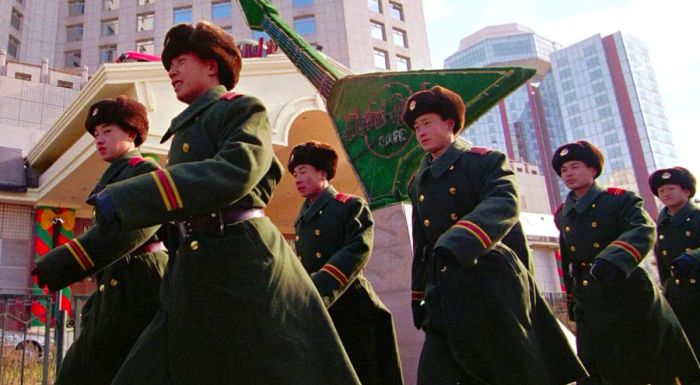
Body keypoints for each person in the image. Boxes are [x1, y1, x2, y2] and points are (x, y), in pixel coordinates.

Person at [35, 21, 362, 385]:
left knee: (285, 368)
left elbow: (238, 169)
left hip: (242, 264)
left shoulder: (242, 109)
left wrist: (133, 196)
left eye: (180, 60)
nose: (171, 70)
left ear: (212, 64)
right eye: (168, 64)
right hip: (192, 269)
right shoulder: (186, 128)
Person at [404, 85, 586, 385]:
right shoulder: (418, 181)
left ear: (450, 123)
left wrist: (459, 238)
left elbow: (504, 202)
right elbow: (423, 242)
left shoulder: (485, 161)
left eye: (427, 123)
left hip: (490, 280)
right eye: (416, 127)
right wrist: (418, 294)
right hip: (444, 289)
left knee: (509, 371)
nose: (420, 132)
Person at [32, 96, 168, 385]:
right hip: (115, 290)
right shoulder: (112, 178)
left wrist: (59, 264)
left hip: (140, 290)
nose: (99, 139)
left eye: (107, 131)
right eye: (96, 134)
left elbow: (124, 235)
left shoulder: (146, 173)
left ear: (131, 133)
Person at [552, 140, 700, 384]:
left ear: (592, 170)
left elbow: (642, 227)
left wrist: (613, 258)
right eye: (564, 169)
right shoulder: (562, 213)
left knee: (649, 365)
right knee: (597, 367)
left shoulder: (619, 200)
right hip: (590, 298)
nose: (568, 173)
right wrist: (572, 299)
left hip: (627, 294)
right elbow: (569, 257)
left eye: (575, 166)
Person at [288, 140, 404, 385]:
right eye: (295, 174)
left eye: (303, 172)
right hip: (322, 308)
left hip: (352, 304)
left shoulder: (348, 206)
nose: (298, 179)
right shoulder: (302, 219)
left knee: (364, 371)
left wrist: (317, 287)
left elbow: (357, 248)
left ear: (322, 172)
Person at [649, 167, 700, 372]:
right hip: (678, 298)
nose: (666, 194)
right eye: (661, 191)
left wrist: (693, 257)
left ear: (687, 191)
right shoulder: (660, 225)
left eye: (671, 188)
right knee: (687, 356)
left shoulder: (697, 217)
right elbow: (663, 267)